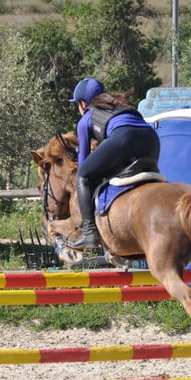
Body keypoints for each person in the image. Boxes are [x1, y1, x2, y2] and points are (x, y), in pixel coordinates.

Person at [67, 77, 160, 250]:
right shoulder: (119, 106)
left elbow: (83, 164)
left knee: (83, 176)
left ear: (82, 103)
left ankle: (89, 232)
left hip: (124, 137)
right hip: (151, 140)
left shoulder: (87, 117)